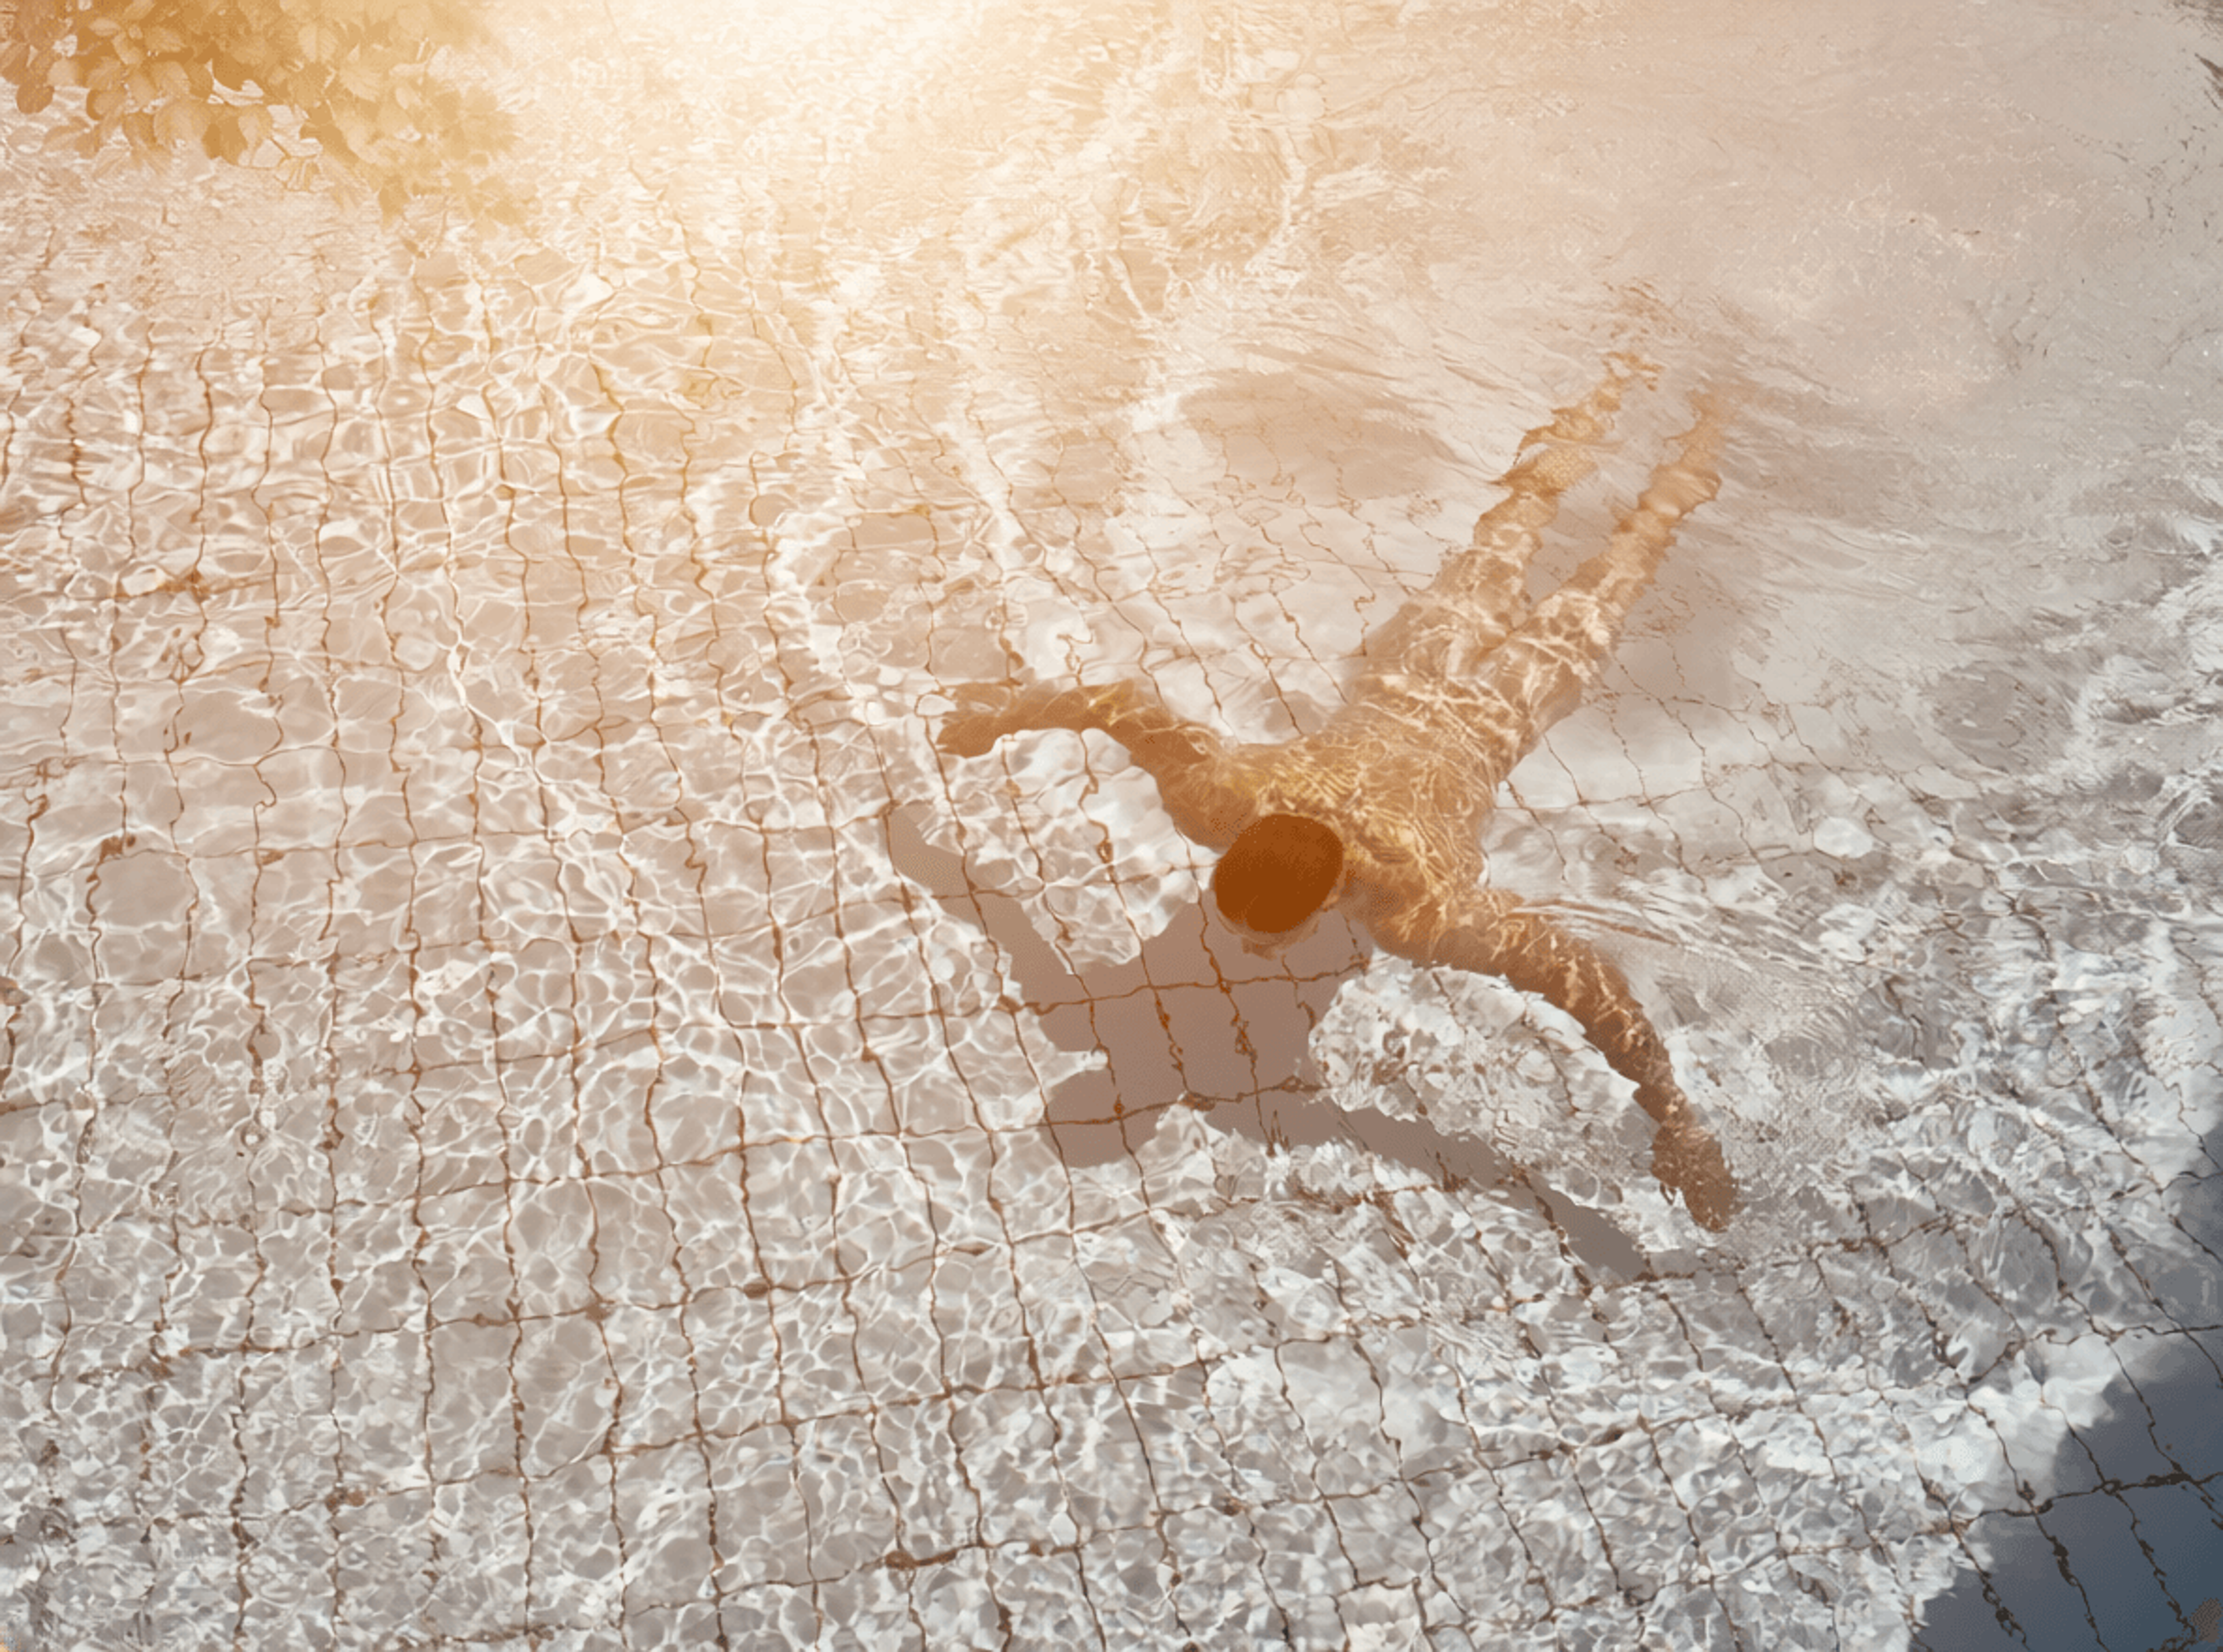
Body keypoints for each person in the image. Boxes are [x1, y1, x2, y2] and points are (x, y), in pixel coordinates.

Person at [937, 361, 1738, 1231]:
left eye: (1262, 937)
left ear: (1328, 898)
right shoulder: (1220, 797)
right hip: (1427, 676)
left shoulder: (1415, 908)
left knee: (1625, 541)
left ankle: (1705, 408)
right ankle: (1637, 380)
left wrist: (1679, 1122)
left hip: (1488, 702)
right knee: (1528, 516)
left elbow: (1589, 988)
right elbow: (1118, 706)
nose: (1247, 945)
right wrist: (1000, 719)